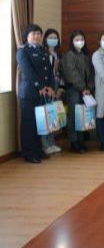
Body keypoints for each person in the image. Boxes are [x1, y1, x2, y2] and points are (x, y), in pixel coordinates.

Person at [16, 24, 55, 163]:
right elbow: (28, 71)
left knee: (39, 123)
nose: (37, 36)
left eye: (39, 33)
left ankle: (38, 150)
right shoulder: (22, 51)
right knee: (29, 123)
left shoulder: (42, 50)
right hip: (29, 93)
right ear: (27, 36)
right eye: (34, 33)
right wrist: (41, 86)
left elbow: (49, 70)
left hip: (42, 93)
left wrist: (51, 87)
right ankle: (29, 153)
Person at [61, 30, 94, 153]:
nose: (80, 42)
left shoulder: (85, 56)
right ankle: (74, 142)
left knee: (83, 116)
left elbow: (91, 74)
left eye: (82, 39)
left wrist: (89, 87)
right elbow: (71, 74)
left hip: (86, 91)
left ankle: (81, 140)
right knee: (74, 116)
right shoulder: (68, 55)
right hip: (73, 90)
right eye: (77, 40)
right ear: (72, 41)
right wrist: (83, 88)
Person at [41, 28, 63, 154]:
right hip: (46, 88)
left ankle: (52, 142)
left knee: (53, 116)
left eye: (55, 38)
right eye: (51, 37)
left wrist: (59, 88)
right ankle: (45, 145)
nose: (53, 40)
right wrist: (48, 88)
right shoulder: (43, 53)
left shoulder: (57, 54)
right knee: (45, 116)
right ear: (45, 39)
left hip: (55, 86)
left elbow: (59, 73)